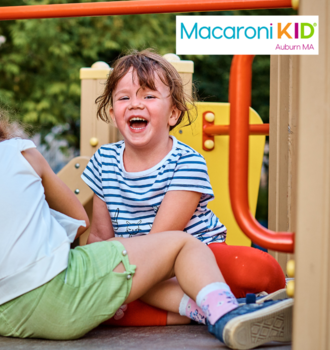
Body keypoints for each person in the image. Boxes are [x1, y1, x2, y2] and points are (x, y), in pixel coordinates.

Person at [0, 92, 292, 349]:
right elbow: (77, 218)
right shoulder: (20, 151)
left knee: (133, 278)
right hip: (59, 297)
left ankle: (204, 311)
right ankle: (226, 316)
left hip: (3, 320)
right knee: (185, 245)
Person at [81, 49, 286, 326]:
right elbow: (100, 239)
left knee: (258, 270)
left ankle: (184, 301)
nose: (134, 104)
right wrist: (103, 274)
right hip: (139, 269)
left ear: (173, 114)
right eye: (124, 97)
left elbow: (161, 242)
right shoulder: (104, 161)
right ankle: (204, 309)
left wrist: (120, 283)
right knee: (90, 295)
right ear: (112, 112)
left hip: (197, 259)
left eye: (148, 95)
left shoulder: (186, 162)